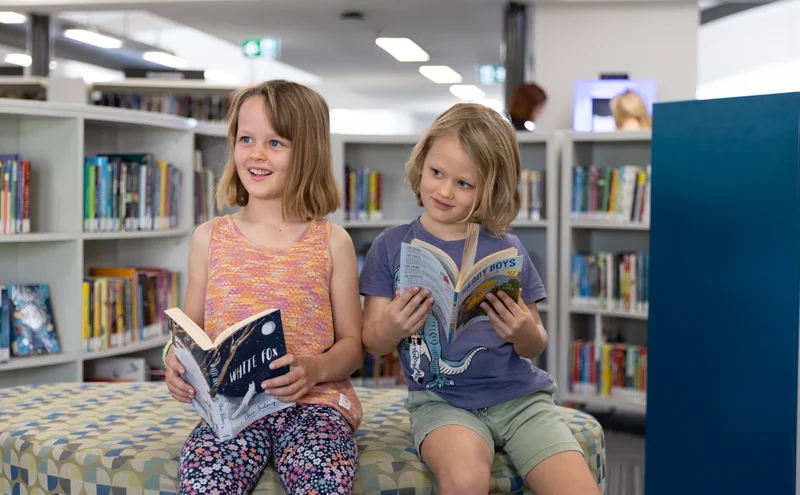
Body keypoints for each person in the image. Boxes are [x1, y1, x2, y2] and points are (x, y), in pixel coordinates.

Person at [359, 103, 599, 495]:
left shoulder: (506, 248)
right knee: (465, 478)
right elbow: (371, 342)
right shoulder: (390, 246)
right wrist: (392, 327)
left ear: (489, 189)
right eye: (437, 173)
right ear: (421, 163)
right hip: (441, 402)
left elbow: (535, 342)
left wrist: (523, 332)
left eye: (464, 183)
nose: (444, 190)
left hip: (521, 400)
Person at [163, 79, 364, 495]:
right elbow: (188, 335)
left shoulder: (333, 241)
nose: (255, 153)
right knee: (204, 483)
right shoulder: (208, 237)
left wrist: (316, 369)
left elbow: (352, 346)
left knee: (323, 483)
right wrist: (175, 365)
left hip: (314, 407)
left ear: (307, 152)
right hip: (232, 412)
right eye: (246, 138)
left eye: (276, 143)